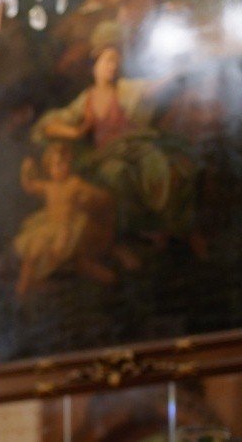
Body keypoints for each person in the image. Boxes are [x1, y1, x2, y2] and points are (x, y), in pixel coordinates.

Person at [30, 21, 201, 254]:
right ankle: (134, 234)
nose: (113, 67)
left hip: (135, 147)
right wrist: (75, 132)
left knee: (158, 165)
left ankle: (169, 226)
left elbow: (151, 89)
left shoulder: (125, 90)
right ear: (95, 65)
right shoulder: (86, 99)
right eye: (108, 61)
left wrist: (177, 72)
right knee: (115, 174)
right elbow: (48, 125)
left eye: (115, 62)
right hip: (109, 155)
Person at [13, 142, 138, 296]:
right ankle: (24, 285)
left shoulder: (74, 183)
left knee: (56, 251)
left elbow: (97, 195)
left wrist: (90, 198)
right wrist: (25, 171)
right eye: (57, 165)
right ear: (49, 168)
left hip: (66, 228)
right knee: (33, 249)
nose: (62, 168)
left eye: (65, 163)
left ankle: (41, 279)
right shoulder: (48, 186)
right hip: (49, 227)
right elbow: (29, 186)